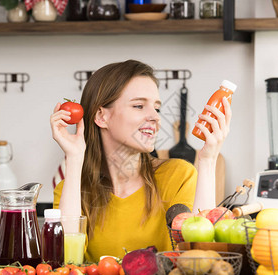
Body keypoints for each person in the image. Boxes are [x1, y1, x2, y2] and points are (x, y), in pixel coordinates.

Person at [50, 60, 232, 262]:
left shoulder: (178, 175)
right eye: (139, 106)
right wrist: (75, 158)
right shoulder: (71, 190)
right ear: (101, 116)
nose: (155, 117)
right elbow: (65, 263)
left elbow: (200, 258)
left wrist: (207, 160)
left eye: (156, 108)